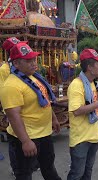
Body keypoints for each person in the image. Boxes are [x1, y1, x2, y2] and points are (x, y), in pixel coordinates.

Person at [0, 43, 61, 180]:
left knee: (49, 168)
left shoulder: (33, 77)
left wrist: (53, 118)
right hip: (26, 137)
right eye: (29, 60)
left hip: (44, 133)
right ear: (16, 63)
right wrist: (25, 141)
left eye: (34, 59)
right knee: (24, 174)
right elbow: (13, 115)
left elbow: (45, 99)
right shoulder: (11, 86)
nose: (34, 63)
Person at [67, 49, 98, 180]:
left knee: (87, 172)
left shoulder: (94, 83)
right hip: (81, 139)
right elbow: (77, 111)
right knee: (77, 174)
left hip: (94, 136)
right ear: (89, 67)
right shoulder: (77, 85)